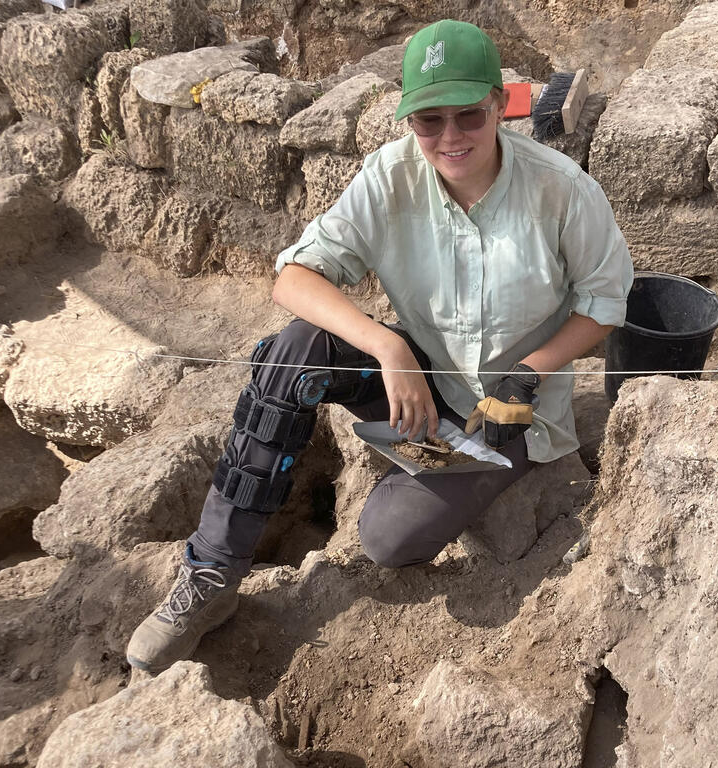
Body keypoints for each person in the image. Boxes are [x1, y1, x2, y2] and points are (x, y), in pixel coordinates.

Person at [126, 19, 633, 673]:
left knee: (387, 537)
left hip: (505, 412)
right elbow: (294, 278)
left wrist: (531, 371)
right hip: (417, 375)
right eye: (428, 122)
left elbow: (606, 304)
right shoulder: (392, 176)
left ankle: (450, 467)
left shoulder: (562, 192)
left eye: (467, 117)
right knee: (299, 347)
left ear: (497, 107)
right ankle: (211, 576)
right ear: (410, 120)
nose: (449, 139)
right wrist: (388, 351)